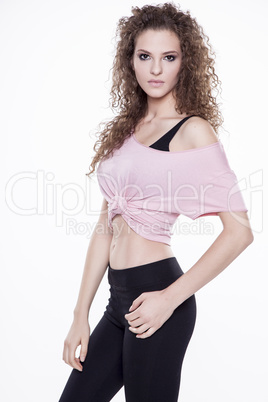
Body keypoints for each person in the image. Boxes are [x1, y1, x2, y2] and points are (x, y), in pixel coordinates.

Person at [58, 3, 254, 401]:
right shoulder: (128, 130)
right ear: (130, 60)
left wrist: (170, 298)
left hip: (159, 293)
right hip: (119, 302)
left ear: (186, 62)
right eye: (145, 56)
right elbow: (104, 227)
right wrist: (81, 314)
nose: (156, 70)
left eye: (169, 57)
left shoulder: (193, 131)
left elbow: (239, 233)